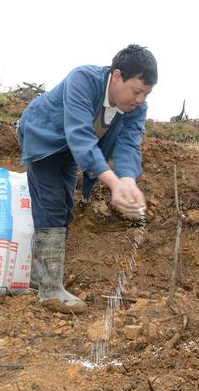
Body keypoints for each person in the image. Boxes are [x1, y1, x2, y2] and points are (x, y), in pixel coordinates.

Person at [17, 44, 157, 313]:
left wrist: (127, 179)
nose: (140, 99)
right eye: (137, 91)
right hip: (42, 136)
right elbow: (80, 135)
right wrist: (113, 183)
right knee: (52, 204)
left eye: (146, 93)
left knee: (65, 207)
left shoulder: (135, 109)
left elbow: (129, 144)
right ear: (117, 76)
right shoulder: (83, 80)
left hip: (70, 150)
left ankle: (40, 275)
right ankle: (49, 290)